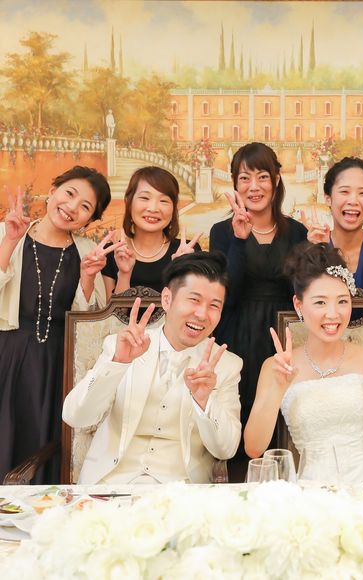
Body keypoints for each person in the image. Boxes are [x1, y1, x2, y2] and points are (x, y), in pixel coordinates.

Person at [244, 243, 363, 484]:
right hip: (313, 492)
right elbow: (254, 449)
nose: (333, 314)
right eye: (320, 303)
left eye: (342, 301)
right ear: (298, 305)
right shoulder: (276, 367)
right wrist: (277, 388)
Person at [62, 252, 242, 484]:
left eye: (214, 305)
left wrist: (205, 402)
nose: (201, 314)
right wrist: (117, 363)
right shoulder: (123, 346)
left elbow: (226, 449)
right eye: (194, 300)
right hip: (109, 485)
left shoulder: (227, 365)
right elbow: (76, 416)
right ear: (167, 299)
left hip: (180, 491)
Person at [0, 166, 116, 483]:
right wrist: (9, 241)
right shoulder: (7, 232)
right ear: (53, 192)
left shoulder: (87, 251)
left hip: (59, 365)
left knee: (47, 444)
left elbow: (88, 321)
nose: (72, 207)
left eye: (85, 207)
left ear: (89, 220)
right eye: (69, 194)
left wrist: (88, 276)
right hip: (7, 354)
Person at [209, 142, 307, 433]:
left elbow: (302, 291)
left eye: (262, 177)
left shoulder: (297, 231)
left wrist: (316, 251)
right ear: (235, 184)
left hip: (285, 334)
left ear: (276, 180)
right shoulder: (221, 232)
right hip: (236, 332)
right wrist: (240, 240)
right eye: (245, 178)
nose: (254, 186)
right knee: (239, 413)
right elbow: (228, 294)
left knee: (284, 417)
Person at [302, 156, 363, 311]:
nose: (353, 201)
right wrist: (319, 252)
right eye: (344, 191)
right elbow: (307, 307)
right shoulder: (311, 247)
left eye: (362, 193)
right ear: (328, 198)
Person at [102, 166, 201, 299]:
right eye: (145, 198)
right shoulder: (111, 253)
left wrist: (179, 272)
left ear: (174, 208)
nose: (153, 208)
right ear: (128, 202)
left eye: (163, 201)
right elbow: (111, 312)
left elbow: (190, 307)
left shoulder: (188, 251)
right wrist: (124, 274)